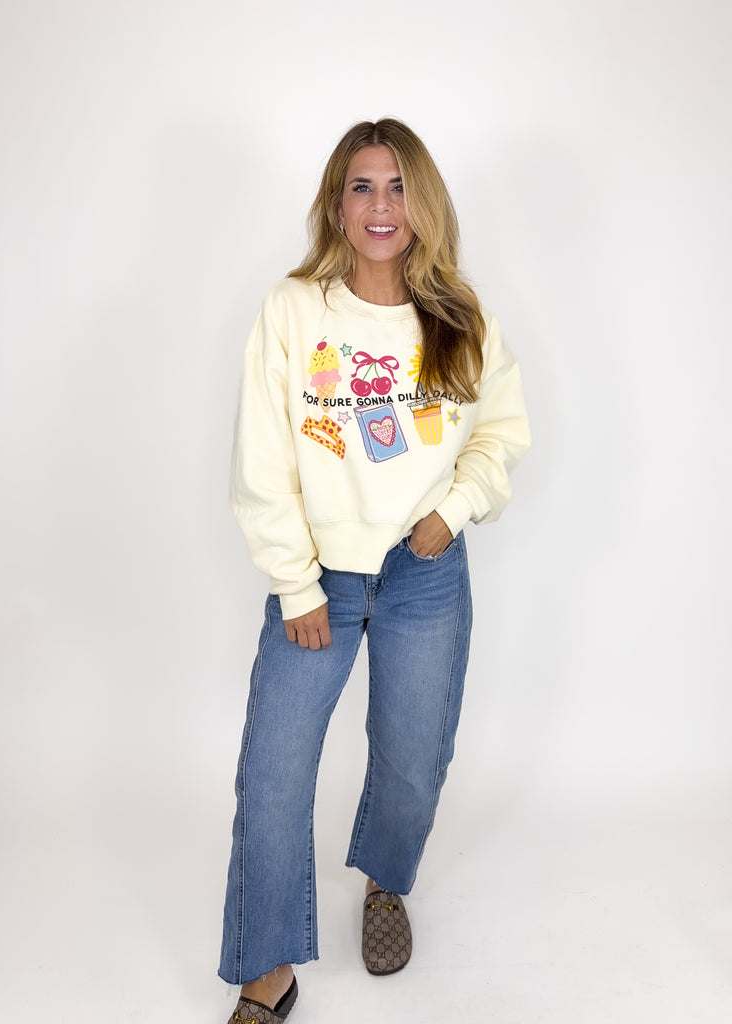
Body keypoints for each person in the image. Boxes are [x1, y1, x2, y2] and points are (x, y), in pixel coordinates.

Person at [219, 118, 530, 1023]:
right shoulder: (294, 310)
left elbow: (502, 433)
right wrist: (295, 581)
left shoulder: (460, 316)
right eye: (362, 187)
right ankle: (267, 970)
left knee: (411, 760)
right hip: (319, 576)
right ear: (337, 205)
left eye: (399, 187)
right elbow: (261, 456)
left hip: (422, 572)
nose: (381, 206)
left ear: (423, 203)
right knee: (274, 773)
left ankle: (384, 882)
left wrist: (451, 512)